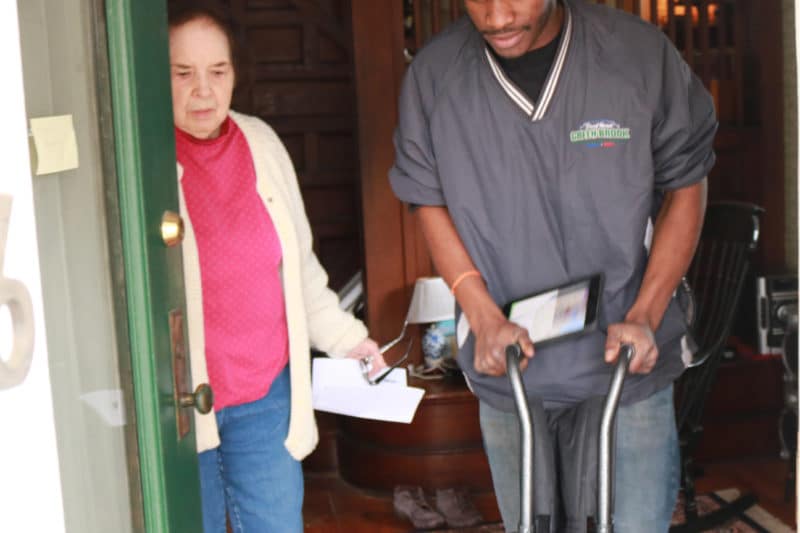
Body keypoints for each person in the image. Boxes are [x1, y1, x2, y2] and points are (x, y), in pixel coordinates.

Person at [389, 0, 715, 531]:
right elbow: (428, 201)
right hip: (509, 365)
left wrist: (648, 313)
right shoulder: (435, 77)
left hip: (626, 364)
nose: (495, 18)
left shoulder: (636, 57)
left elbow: (687, 183)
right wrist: (482, 313)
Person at [167, 3, 387, 531]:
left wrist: (349, 340)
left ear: (236, 74)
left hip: (265, 397)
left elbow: (299, 268)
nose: (203, 90)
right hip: (176, 406)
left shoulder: (261, 143)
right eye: (183, 73)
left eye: (217, 72)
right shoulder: (145, 158)